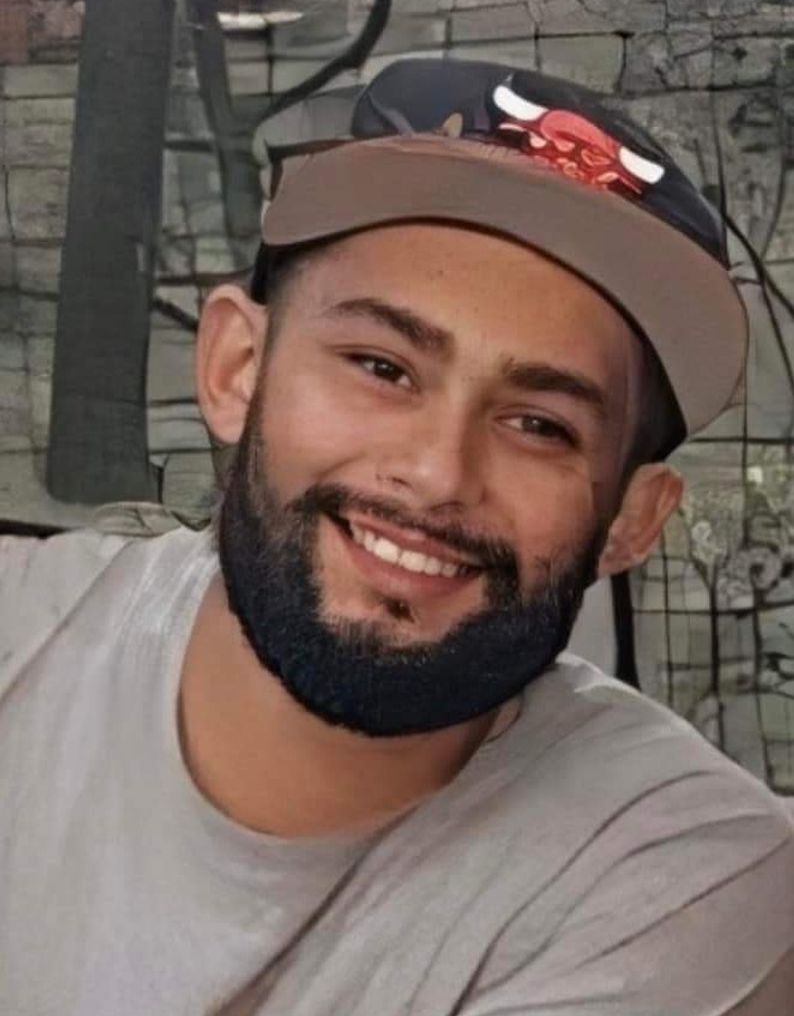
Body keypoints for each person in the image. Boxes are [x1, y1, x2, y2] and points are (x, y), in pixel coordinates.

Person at [1, 59, 792, 1016]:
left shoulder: (681, 873)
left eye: (539, 424)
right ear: (236, 367)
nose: (437, 473)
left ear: (632, 519)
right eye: (382, 367)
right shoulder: (23, 632)